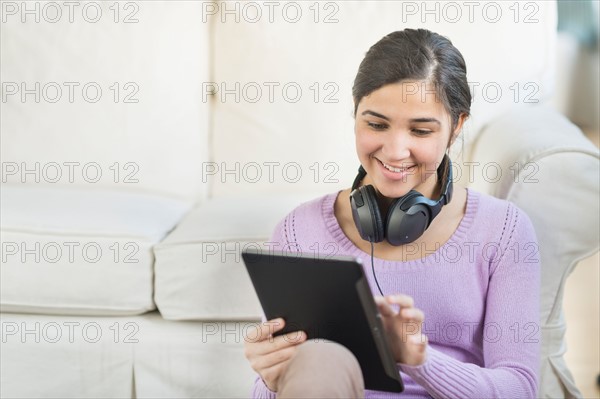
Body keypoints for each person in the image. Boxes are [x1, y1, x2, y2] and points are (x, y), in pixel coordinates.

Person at [244, 28, 540, 398]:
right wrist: (274, 380)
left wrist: (419, 360)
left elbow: (521, 390)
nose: (396, 151)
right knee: (320, 359)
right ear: (355, 113)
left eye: (420, 130)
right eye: (376, 124)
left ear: (456, 127)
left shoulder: (503, 230)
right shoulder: (298, 231)